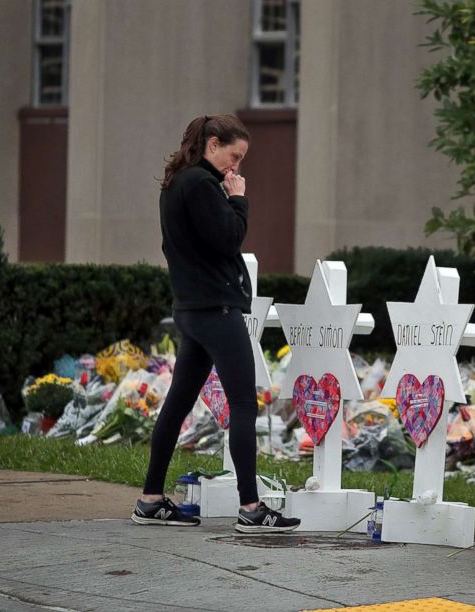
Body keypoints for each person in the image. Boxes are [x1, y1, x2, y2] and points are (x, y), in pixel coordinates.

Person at [131, 114, 300, 533]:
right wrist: (238, 198)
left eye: (240, 161)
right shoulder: (202, 185)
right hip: (215, 309)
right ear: (211, 144)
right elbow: (228, 237)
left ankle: (150, 500)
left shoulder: (177, 184)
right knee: (245, 403)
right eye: (233, 156)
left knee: (177, 403)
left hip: (191, 309)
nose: (236, 167)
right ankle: (251, 508)